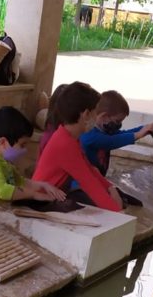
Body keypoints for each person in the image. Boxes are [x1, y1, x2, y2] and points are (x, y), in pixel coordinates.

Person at [33, 82, 125, 212]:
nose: (96, 118)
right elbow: (89, 183)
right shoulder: (65, 144)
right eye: (95, 113)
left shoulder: (68, 136)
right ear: (86, 114)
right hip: (40, 204)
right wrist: (117, 212)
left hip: (51, 198)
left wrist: (110, 188)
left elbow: (89, 169)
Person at [0, 106, 65, 213]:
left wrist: (43, 185)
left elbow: (21, 182)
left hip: (1, 214)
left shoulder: (4, 163)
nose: (25, 150)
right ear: (3, 142)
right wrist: (33, 195)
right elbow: (2, 190)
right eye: (22, 145)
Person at [79, 89, 153, 197]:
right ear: (104, 116)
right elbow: (112, 141)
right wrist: (139, 134)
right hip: (83, 185)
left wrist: (146, 128)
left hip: (97, 181)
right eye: (117, 121)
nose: (119, 125)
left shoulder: (105, 130)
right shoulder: (89, 135)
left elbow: (121, 134)